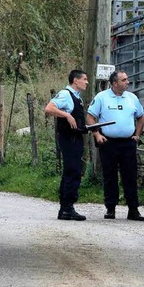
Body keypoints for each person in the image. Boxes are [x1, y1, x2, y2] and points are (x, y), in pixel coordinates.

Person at [86, 70, 144, 221]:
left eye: (127, 79)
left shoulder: (132, 98)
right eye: (124, 80)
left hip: (128, 143)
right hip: (108, 142)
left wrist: (137, 136)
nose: (128, 82)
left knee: (130, 176)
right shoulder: (102, 97)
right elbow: (90, 117)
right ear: (114, 83)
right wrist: (97, 134)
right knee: (110, 176)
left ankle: (133, 209)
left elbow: (140, 117)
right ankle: (110, 208)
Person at [44, 69, 89, 221]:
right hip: (69, 139)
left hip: (76, 138)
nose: (87, 82)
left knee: (72, 171)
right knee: (72, 171)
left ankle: (65, 208)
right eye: (84, 79)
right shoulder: (65, 94)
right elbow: (49, 108)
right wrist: (66, 114)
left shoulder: (77, 97)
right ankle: (67, 208)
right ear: (75, 81)